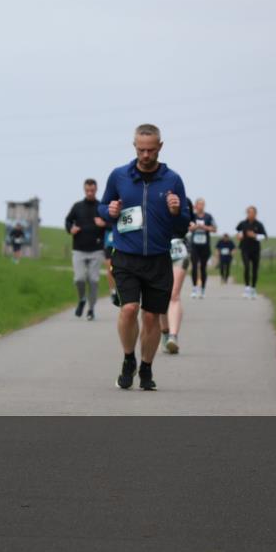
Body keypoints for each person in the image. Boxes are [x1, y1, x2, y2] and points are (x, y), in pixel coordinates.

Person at [99, 124, 190, 391]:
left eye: (151, 150)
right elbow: (104, 208)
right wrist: (111, 210)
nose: (146, 155)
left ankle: (146, 368)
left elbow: (183, 225)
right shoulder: (119, 176)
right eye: (141, 150)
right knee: (129, 309)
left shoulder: (173, 180)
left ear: (160, 147)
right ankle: (129, 359)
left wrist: (176, 211)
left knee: (151, 317)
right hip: (126, 255)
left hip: (159, 257)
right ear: (134, 146)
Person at [65, 178, 108, 320]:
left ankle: (91, 309)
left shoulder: (101, 206)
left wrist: (104, 224)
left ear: (96, 190)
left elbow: (111, 224)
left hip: (96, 249)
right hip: (79, 249)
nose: (90, 193)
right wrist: (71, 228)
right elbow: (68, 220)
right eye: (87, 190)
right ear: (84, 190)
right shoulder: (77, 206)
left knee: (94, 280)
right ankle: (82, 298)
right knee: (79, 278)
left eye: (92, 190)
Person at [160, 197, 193, 355]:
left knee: (174, 293)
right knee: (160, 294)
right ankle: (165, 333)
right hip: (158, 250)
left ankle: (173, 336)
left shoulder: (185, 201)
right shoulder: (152, 198)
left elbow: (189, 222)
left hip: (179, 249)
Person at [236, 206, 267, 299]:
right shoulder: (242, 223)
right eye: (248, 212)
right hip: (245, 248)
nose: (250, 214)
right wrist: (239, 236)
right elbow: (238, 232)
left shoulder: (259, 224)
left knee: (254, 269)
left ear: (255, 214)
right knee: (246, 267)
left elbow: (265, 237)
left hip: (255, 249)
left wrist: (254, 235)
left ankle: (253, 288)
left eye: (252, 212)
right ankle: (247, 288)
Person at [188, 198, 217, 299]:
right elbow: (188, 228)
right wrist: (195, 227)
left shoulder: (208, 216)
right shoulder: (192, 216)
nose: (201, 206)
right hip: (194, 246)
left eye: (203, 204)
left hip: (205, 246)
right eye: (199, 204)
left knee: (203, 268)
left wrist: (205, 227)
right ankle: (194, 289)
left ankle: (203, 289)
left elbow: (214, 229)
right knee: (194, 267)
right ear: (196, 206)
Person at [104, 228, 119, 306]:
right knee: (110, 269)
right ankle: (112, 290)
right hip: (109, 245)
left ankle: (119, 290)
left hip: (121, 244)